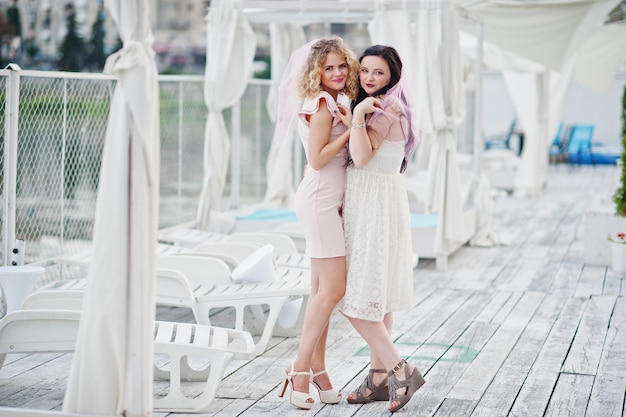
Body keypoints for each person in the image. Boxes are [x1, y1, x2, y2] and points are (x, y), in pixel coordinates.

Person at [338, 45, 425, 413]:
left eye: (379, 73)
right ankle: (377, 378)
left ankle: (401, 371)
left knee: (354, 302)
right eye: (366, 71)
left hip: (373, 207)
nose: (370, 78)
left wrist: (355, 115)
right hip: (384, 202)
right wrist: (354, 119)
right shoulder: (390, 107)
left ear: (393, 77)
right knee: (379, 296)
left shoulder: (382, 109)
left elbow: (360, 157)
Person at [277, 36, 359, 410]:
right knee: (334, 289)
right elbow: (317, 159)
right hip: (320, 201)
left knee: (321, 292)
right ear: (317, 72)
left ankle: (320, 370)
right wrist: (352, 131)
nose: (338, 73)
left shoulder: (336, 101)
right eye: (329, 68)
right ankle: (299, 370)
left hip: (326, 201)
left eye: (343, 65)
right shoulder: (324, 104)